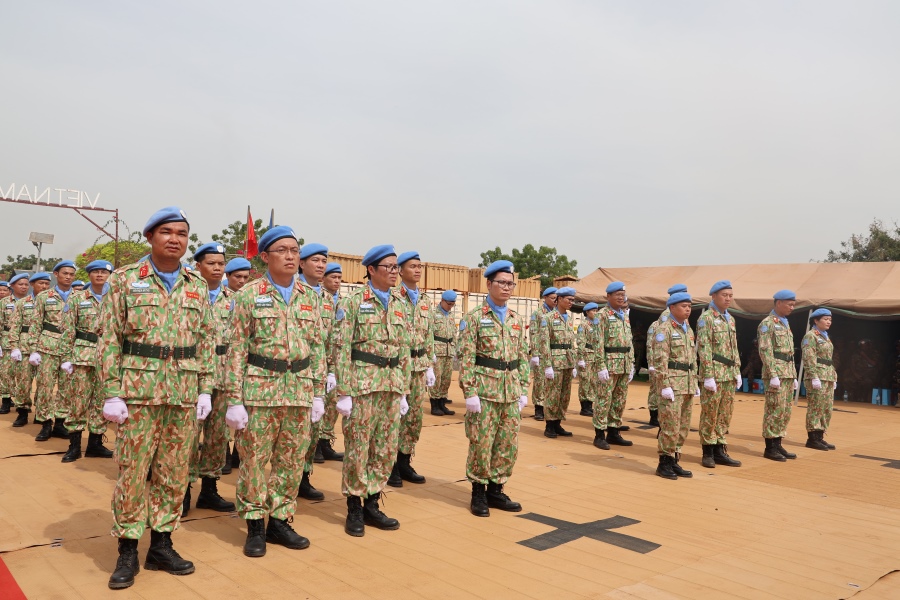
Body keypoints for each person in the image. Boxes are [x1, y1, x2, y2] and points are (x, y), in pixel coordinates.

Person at [98, 207, 215, 590]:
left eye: (182, 233)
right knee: (132, 473)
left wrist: (205, 388)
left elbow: (206, 340)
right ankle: (128, 549)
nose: (175, 239)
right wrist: (112, 392)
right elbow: (109, 338)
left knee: (174, 472)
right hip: (138, 394)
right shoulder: (126, 279)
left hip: (182, 394)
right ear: (150, 236)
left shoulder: (197, 284)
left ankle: (161, 544)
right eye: (166, 232)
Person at [223, 226, 326, 558]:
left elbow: (317, 347)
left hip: (299, 390)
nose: (290, 256)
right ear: (265, 256)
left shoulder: (310, 297)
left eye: (295, 250)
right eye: (282, 250)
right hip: (260, 391)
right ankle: (255, 524)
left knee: (292, 460)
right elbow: (236, 349)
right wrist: (234, 400)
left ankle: (280, 521)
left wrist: (318, 393)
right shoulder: (248, 295)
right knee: (254, 460)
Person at [335, 244, 411, 537]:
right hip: (362, 385)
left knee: (385, 447)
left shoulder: (401, 303)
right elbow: (342, 348)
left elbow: (404, 349)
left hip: (391, 385)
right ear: (371, 270)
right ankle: (354, 506)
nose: (395, 272)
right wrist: (344, 391)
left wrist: (404, 390)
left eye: (396, 267)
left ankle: (372, 502)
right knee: (358, 446)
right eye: (389, 267)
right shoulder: (353, 302)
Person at [459, 260, 528, 516]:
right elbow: (466, 358)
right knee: (481, 442)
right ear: (489, 284)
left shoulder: (517, 319)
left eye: (511, 283)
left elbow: (522, 356)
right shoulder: (474, 318)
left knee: (507, 443)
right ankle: (479, 491)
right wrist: (470, 393)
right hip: (485, 391)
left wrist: (523, 389)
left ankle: (496, 489)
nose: (507, 287)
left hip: (510, 391)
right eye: (502, 282)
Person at [182, 243, 235, 516]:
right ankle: (183, 489)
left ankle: (209, 490)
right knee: (189, 434)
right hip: (193, 371)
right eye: (211, 263)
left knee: (218, 435)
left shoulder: (233, 298)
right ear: (198, 266)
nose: (217, 268)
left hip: (224, 372)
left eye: (221, 264)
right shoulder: (186, 293)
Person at [58, 260, 115, 462]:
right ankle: (74, 445)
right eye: (95, 272)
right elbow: (68, 330)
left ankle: (95, 444)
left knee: (101, 400)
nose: (99, 275)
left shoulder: (116, 297)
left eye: (103, 272)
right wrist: (66, 358)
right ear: (89, 275)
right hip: (82, 356)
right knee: (78, 401)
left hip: (108, 357)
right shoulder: (77, 298)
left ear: (109, 275)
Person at [388, 251, 435, 487]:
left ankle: (404, 460)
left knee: (414, 417)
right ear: (400, 270)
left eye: (419, 266)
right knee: (395, 416)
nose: (417, 270)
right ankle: (390, 465)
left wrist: (430, 364)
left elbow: (429, 334)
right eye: (412, 266)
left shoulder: (425, 300)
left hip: (419, 367)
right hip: (399, 366)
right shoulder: (393, 297)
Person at [296, 242, 337, 501]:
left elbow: (330, 339)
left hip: (319, 375)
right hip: (294, 373)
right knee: (292, 433)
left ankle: (303, 477)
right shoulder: (293, 292)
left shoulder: (327, 299)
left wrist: (331, 371)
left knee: (312, 430)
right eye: (315, 260)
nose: (321, 265)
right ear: (302, 264)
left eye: (324, 261)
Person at [27, 260, 78, 442]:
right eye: (65, 273)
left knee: (66, 387)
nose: (68, 277)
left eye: (71, 274)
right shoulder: (44, 297)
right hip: (47, 347)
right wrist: (33, 349)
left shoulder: (80, 296)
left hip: (70, 349)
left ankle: (60, 423)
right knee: (45, 387)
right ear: (56, 274)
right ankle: (46, 423)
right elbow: (35, 324)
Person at [651, 292, 699, 480]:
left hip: (686, 383)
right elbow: (660, 360)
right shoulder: (664, 330)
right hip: (672, 384)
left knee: (683, 425)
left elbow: (692, 358)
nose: (688, 309)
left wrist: (694, 381)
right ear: (672, 307)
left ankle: (674, 460)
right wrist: (664, 385)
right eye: (683, 306)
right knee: (670, 425)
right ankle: (664, 462)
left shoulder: (688, 330)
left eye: (689, 306)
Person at [696, 281, 742, 468]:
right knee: (710, 413)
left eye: (730, 295)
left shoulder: (730, 319)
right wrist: (708, 375)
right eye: (724, 295)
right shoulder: (706, 318)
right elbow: (704, 347)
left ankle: (720, 449)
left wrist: (737, 370)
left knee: (725, 413)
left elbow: (734, 348)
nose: (728, 298)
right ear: (714, 296)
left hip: (728, 373)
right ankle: (707, 451)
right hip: (714, 373)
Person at [591, 282, 635, 449]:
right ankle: (599, 434)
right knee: (604, 399)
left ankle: (614, 432)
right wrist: (600, 366)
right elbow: (598, 342)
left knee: (619, 400)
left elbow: (629, 341)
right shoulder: (602, 315)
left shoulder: (624, 315)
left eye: (623, 294)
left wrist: (631, 363)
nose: (621, 297)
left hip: (624, 363)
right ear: (608, 296)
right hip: (609, 364)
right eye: (617, 294)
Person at [758, 290, 799, 462]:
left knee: (785, 410)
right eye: (789, 304)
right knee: (774, 410)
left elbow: (789, 353)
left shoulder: (785, 323)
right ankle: (770, 447)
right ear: (779, 303)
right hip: (776, 373)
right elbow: (765, 350)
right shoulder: (767, 323)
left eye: (793, 305)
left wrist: (794, 375)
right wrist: (772, 374)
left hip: (787, 372)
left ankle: (778, 442)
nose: (792, 307)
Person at [7, 272, 51, 427]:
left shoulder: (52, 302)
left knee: (45, 384)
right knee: (23, 382)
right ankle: (23, 412)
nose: (44, 286)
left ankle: (41, 413)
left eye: (47, 283)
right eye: (41, 283)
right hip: (25, 347)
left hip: (46, 347)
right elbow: (15, 326)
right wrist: (14, 347)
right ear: (33, 284)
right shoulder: (22, 303)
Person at [222, 256, 253, 472]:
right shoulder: (221, 298)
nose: (241, 281)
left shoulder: (251, 298)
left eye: (245, 277)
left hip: (246, 364)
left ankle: (236, 454)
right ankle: (223, 452)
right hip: (223, 362)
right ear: (228, 276)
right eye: (237, 277)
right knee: (224, 411)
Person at [537, 286, 578, 438]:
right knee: (552, 394)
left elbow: (571, 342)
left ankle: (558, 422)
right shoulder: (547, 318)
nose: (571, 302)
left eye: (573, 300)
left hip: (567, 361)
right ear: (559, 299)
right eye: (569, 299)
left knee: (564, 395)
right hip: (555, 362)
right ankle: (549, 425)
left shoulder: (569, 319)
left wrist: (574, 363)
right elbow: (544, 343)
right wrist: (547, 365)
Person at [314, 261, 345, 462]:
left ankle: (325, 442)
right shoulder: (316, 297)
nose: (337, 281)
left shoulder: (344, 301)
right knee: (319, 401)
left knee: (333, 403)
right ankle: (315, 444)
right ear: (323, 279)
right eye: (333, 277)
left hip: (338, 360)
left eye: (339, 278)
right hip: (320, 359)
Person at [645, 285, 686, 427]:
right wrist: (652, 363)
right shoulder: (667, 315)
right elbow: (660, 341)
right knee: (659, 390)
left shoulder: (681, 315)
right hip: (665, 361)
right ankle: (655, 416)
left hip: (675, 362)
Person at [802, 308, 837, 451]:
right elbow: (809, 357)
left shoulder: (825, 336)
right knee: (815, 407)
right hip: (817, 376)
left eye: (830, 320)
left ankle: (820, 436)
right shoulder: (811, 336)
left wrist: (833, 376)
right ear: (816, 320)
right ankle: (812, 438)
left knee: (826, 408)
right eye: (825, 319)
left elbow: (828, 358)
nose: (829, 322)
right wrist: (813, 376)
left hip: (827, 375)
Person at [528, 287, 557, 421]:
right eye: (552, 298)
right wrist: (534, 353)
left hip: (554, 353)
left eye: (556, 298)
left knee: (552, 381)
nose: (555, 300)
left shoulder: (557, 313)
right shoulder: (538, 313)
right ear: (545, 298)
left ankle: (549, 407)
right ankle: (538, 408)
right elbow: (533, 333)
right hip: (540, 352)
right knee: (540, 381)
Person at [429, 289, 458, 416]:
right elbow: (429, 333)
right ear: (442, 301)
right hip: (437, 350)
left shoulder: (451, 315)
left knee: (446, 379)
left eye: (453, 304)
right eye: (449, 304)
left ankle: (442, 403)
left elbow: (454, 333)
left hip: (449, 351)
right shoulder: (433, 314)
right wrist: (431, 351)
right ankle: (434, 405)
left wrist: (455, 349)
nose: (450, 306)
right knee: (437, 378)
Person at [576, 302, 601, 417]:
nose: (595, 313)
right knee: (585, 380)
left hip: (595, 355)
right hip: (586, 355)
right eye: (593, 311)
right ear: (587, 312)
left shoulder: (597, 324)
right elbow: (581, 341)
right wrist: (581, 358)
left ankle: (590, 405)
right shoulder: (584, 325)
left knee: (593, 381)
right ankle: (584, 406)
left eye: (596, 311)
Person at [0, 280, 12, 414]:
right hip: (5, 340)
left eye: (5, 290)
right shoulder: (3, 304)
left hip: (21, 342)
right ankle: (6, 399)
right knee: (5, 372)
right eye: (0, 290)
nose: (2, 292)